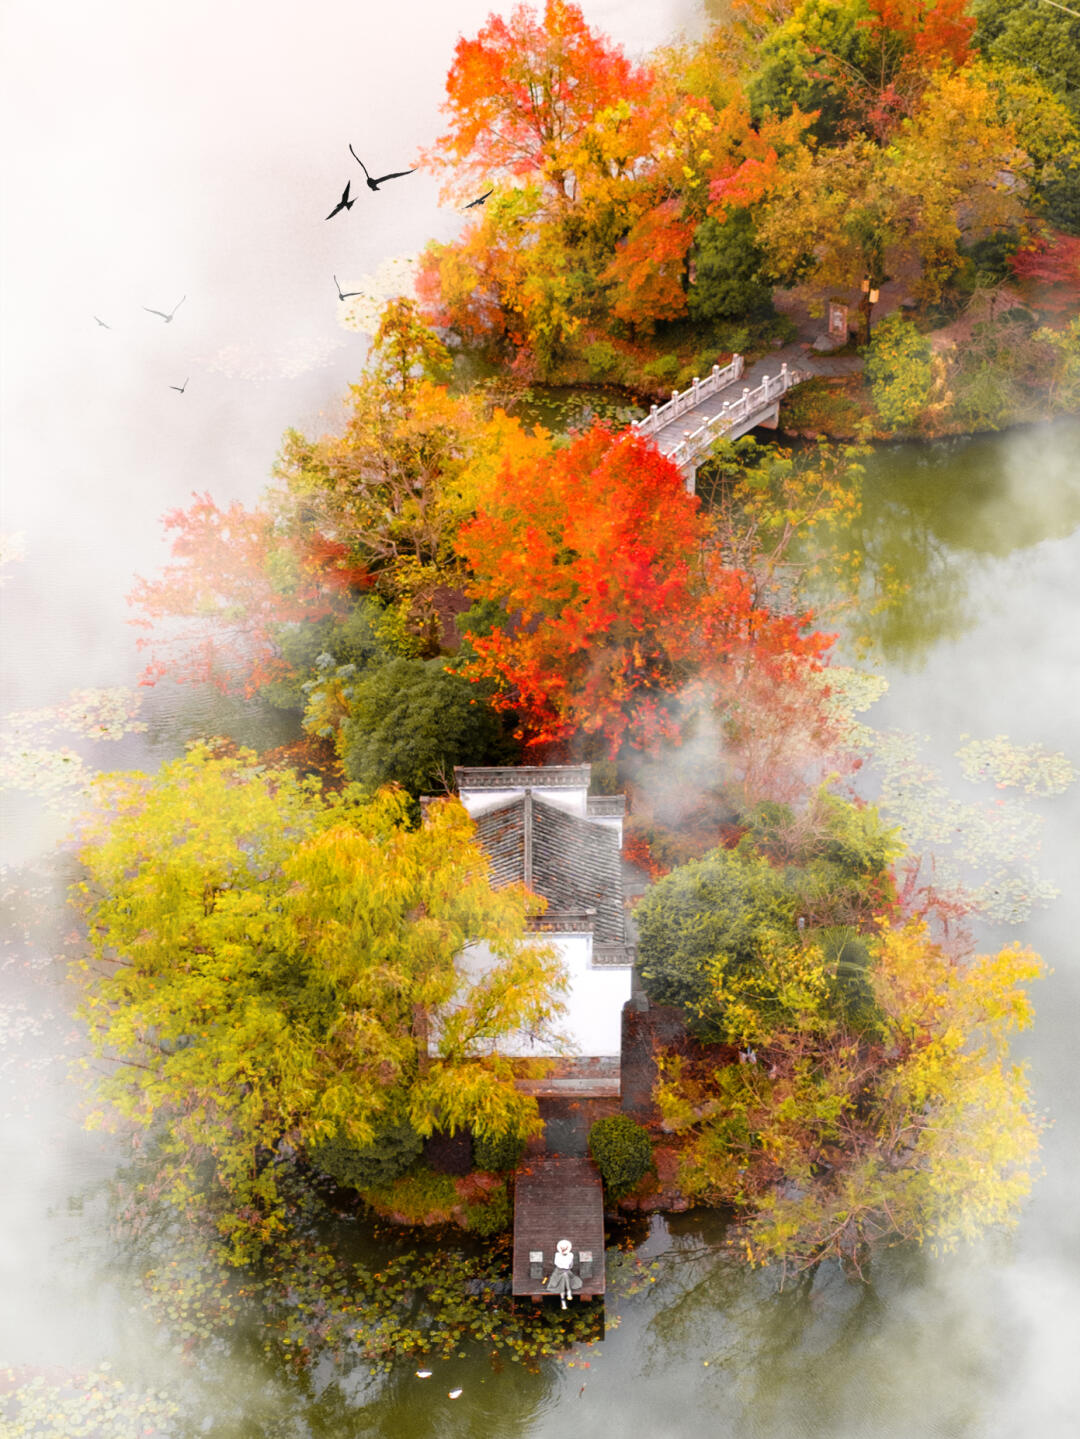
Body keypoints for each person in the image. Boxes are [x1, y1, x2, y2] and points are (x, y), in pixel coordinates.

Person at [544, 1238, 584, 1310]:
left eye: (565, 1248)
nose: (563, 1249)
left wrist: (565, 1266)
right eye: (562, 1248)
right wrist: (564, 1266)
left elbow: (570, 1265)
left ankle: (564, 1299)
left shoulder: (570, 1255)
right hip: (558, 1271)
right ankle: (567, 1293)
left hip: (567, 1271)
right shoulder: (557, 1255)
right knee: (563, 1277)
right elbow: (557, 1263)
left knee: (565, 1275)